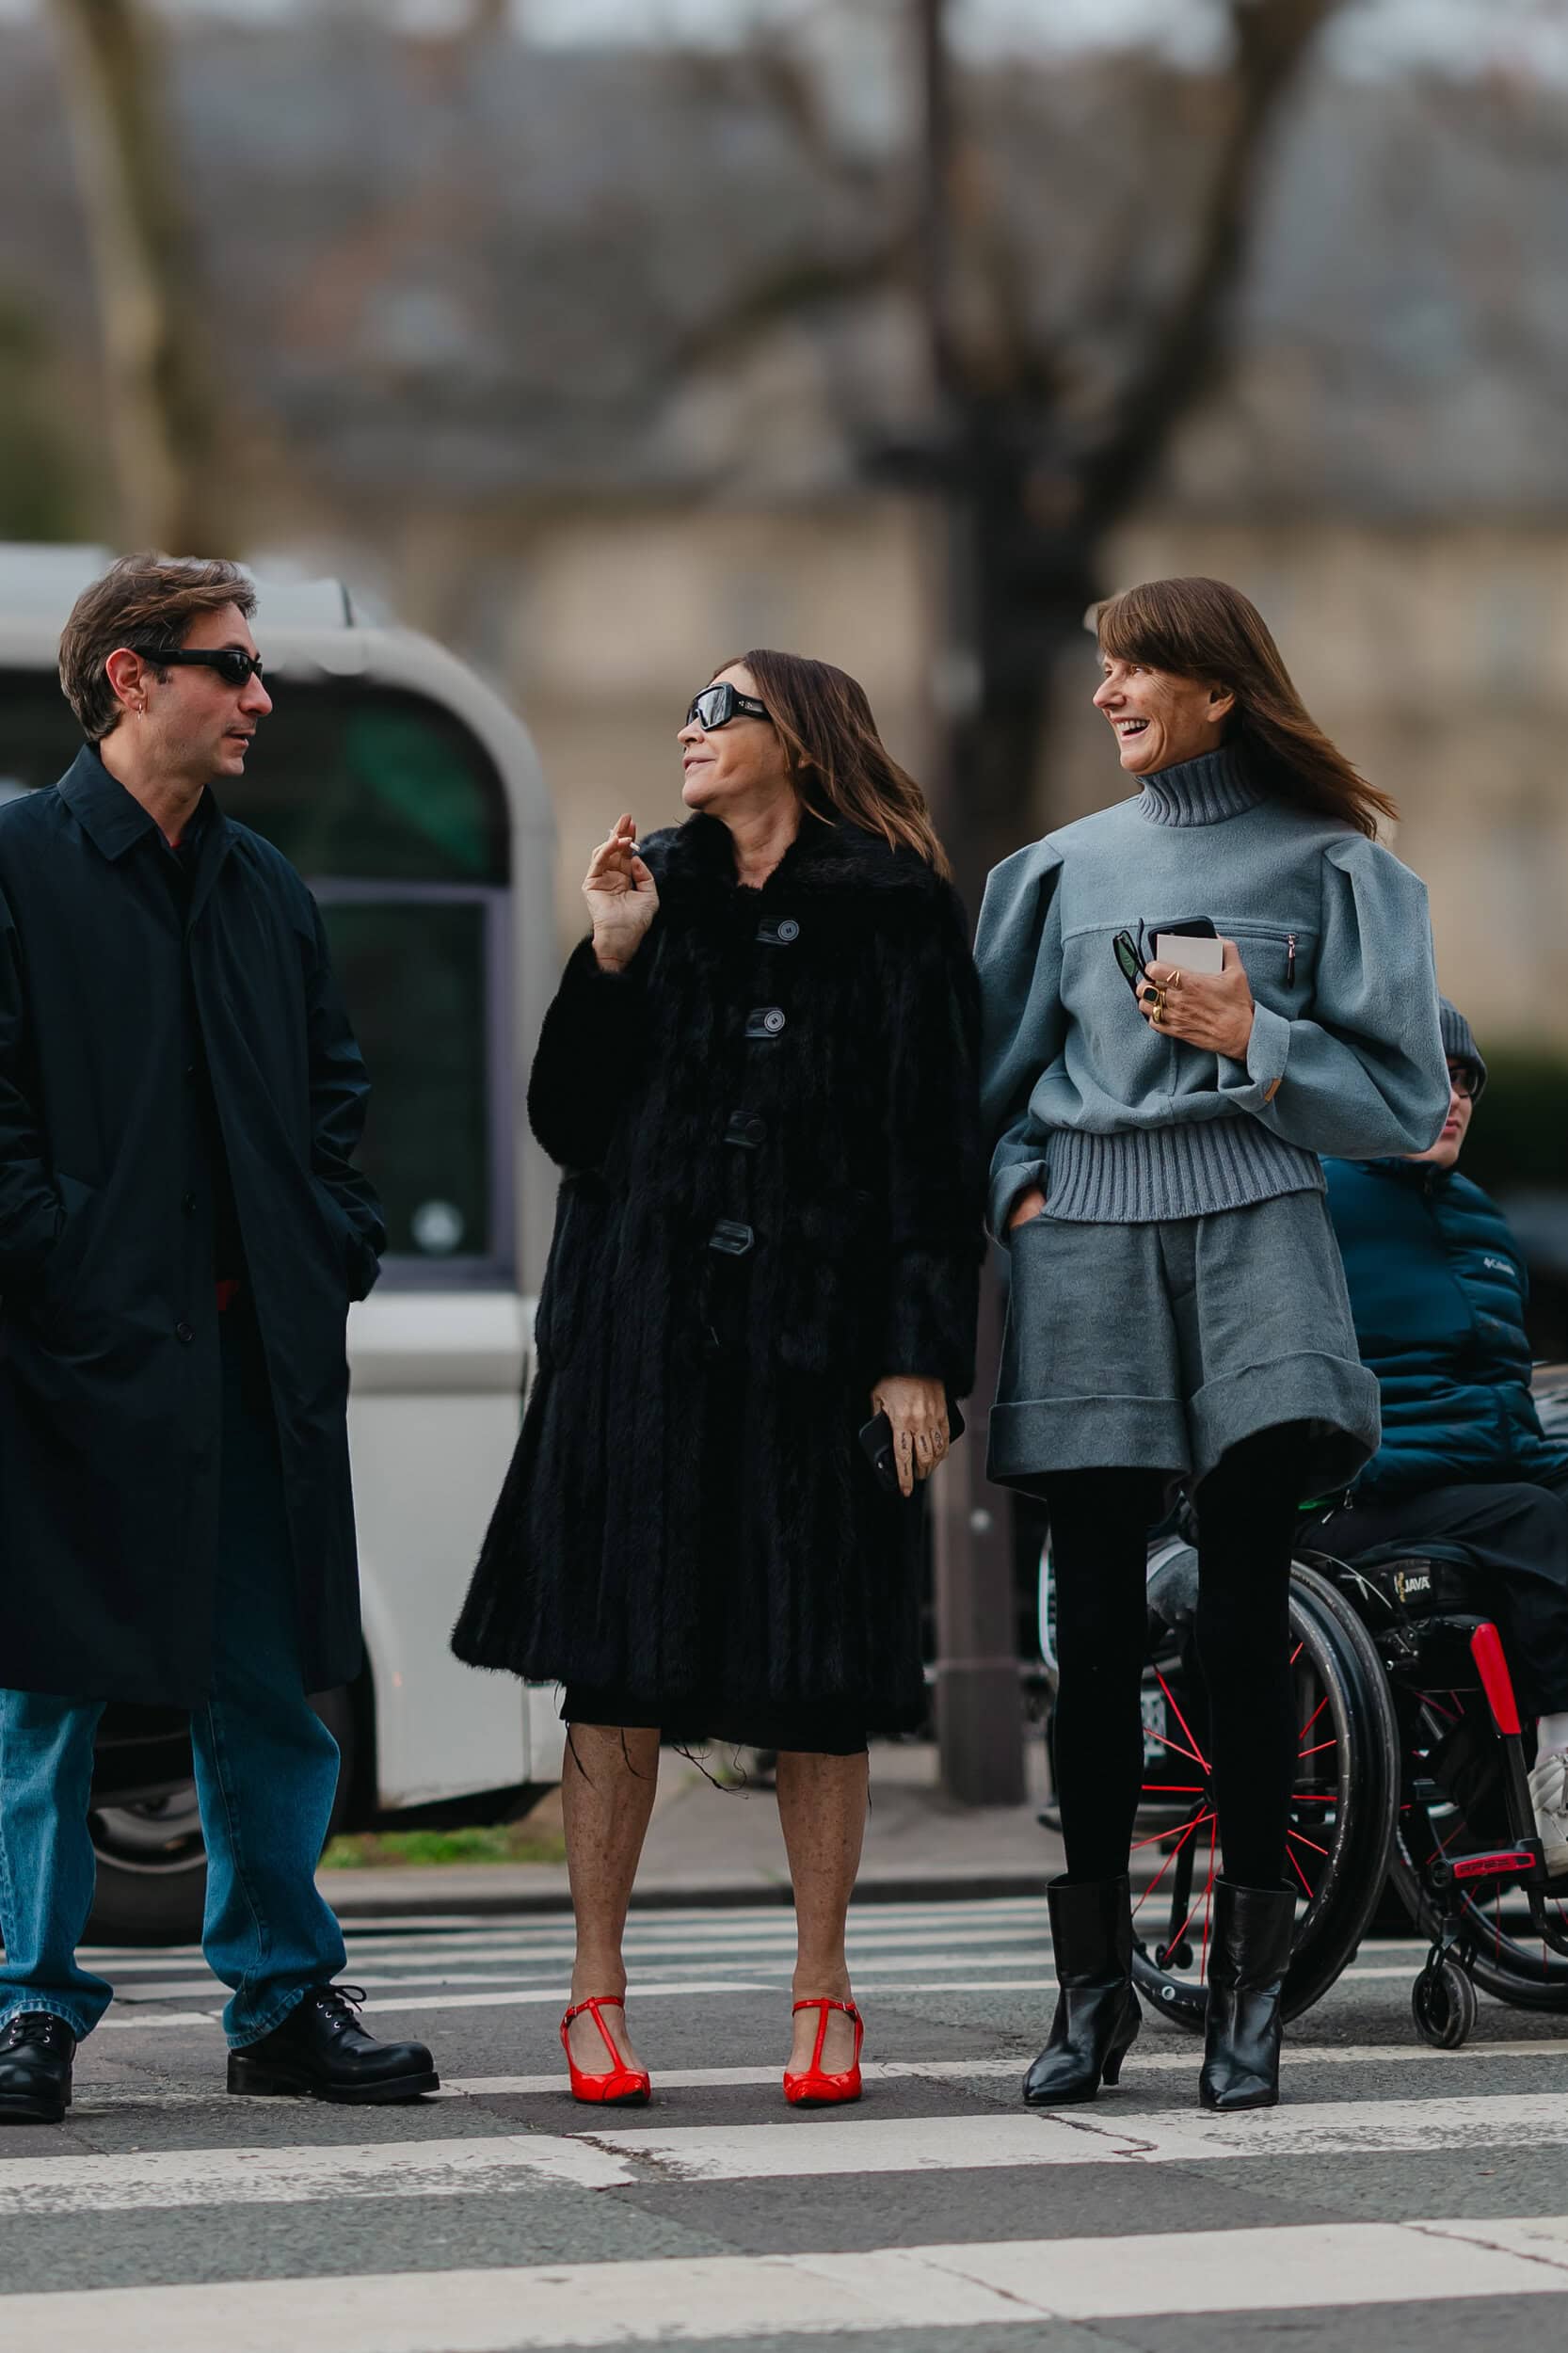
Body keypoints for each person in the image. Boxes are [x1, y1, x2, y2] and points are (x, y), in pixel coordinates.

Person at [454, 652, 983, 2108]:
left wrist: (915, 1354)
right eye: (683, 708)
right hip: (638, 1334)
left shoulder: (895, 909)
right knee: (611, 1668)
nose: (688, 729)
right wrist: (611, 951)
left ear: (799, 738)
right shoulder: (651, 892)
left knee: (818, 1677)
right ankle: (592, 1992)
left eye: (719, 708)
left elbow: (932, 1152)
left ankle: (825, 1993)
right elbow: (568, 1117)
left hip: (821, 1350)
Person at [977, 575, 1449, 2113]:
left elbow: (1398, 1107)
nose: (1108, 691)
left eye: (1138, 670)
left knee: (1245, 1621)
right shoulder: (1051, 870)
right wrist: (1021, 1188)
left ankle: (1249, 2004)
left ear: (1218, 691)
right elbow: (980, 1088)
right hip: (1088, 1249)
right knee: (1098, 1633)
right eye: (1104, 667)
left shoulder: (1335, 864)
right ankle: (1092, 1997)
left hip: (1257, 1234)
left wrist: (1255, 1037)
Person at [0, 553, 437, 2126]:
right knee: (44, 1696)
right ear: (132, 677)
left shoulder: (265, 890)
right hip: (67, 1367)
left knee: (268, 1695)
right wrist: (65, 1276)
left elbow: (334, 1108)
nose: (258, 698)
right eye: (230, 667)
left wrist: (331, 1250)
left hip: (258, 1373)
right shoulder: (13, 864)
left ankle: (284, 2002)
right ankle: (24, 2010)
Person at [1315, 1000, 1568, 1877]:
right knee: (1536, 1523)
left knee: (1534, 1503)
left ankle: (1492, 1776)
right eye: (1432, 1075)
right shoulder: (1316, 1201)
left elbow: (1499, 1400)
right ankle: (1557, 1776)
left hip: (1469, 1484)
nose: (1454, 1096)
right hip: (1358, 1498)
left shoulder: (1483, 1223)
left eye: (1466, 1080)